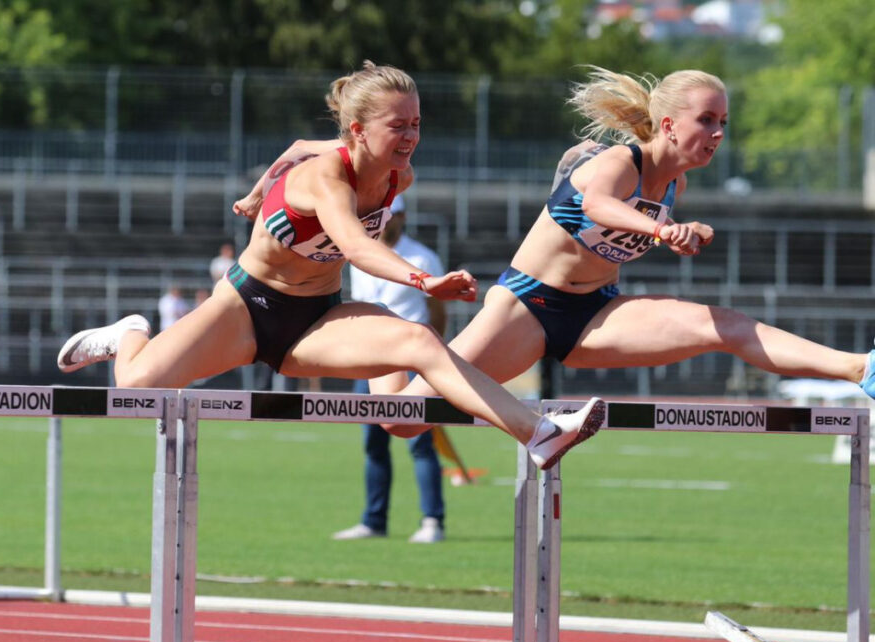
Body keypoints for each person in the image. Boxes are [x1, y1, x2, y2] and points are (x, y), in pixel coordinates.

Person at [55, 61, 605, 471]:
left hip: (317, 317)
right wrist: (423, 279)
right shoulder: (326, 175)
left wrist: (254, 195)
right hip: (245, 308)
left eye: (416, 123)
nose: (411, 136)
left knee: (417, 344)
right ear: (359, 130)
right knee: (133, 387)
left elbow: (294, 143)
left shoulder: (397, 176)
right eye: (399, 126)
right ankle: (130, 332)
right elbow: (356, 244)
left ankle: (538, 433)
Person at [377, 66, 875, 438]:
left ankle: (861, 367)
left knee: (723, 325)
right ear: (668, 124)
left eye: (723, 120)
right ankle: (388, 342)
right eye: (706, 120)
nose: (718, 133)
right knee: (401, 421)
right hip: (526, 309)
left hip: (597, 313)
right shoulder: (620, 161)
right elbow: (598, 204)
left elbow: (642, 221)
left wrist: (687, 229)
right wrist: (662, 230)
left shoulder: (674, 182)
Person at [333, 194, 452, 543]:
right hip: (370, 359)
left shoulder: (422, 257)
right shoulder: (358, 253)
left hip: (412, 360)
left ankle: (432, 521)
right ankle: (374, 520)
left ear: (402, 216)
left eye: (391, 214)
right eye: (378, 215)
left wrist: (433, 356)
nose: (385, 221)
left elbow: (438, 310)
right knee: (373, 442)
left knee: (420, 443)